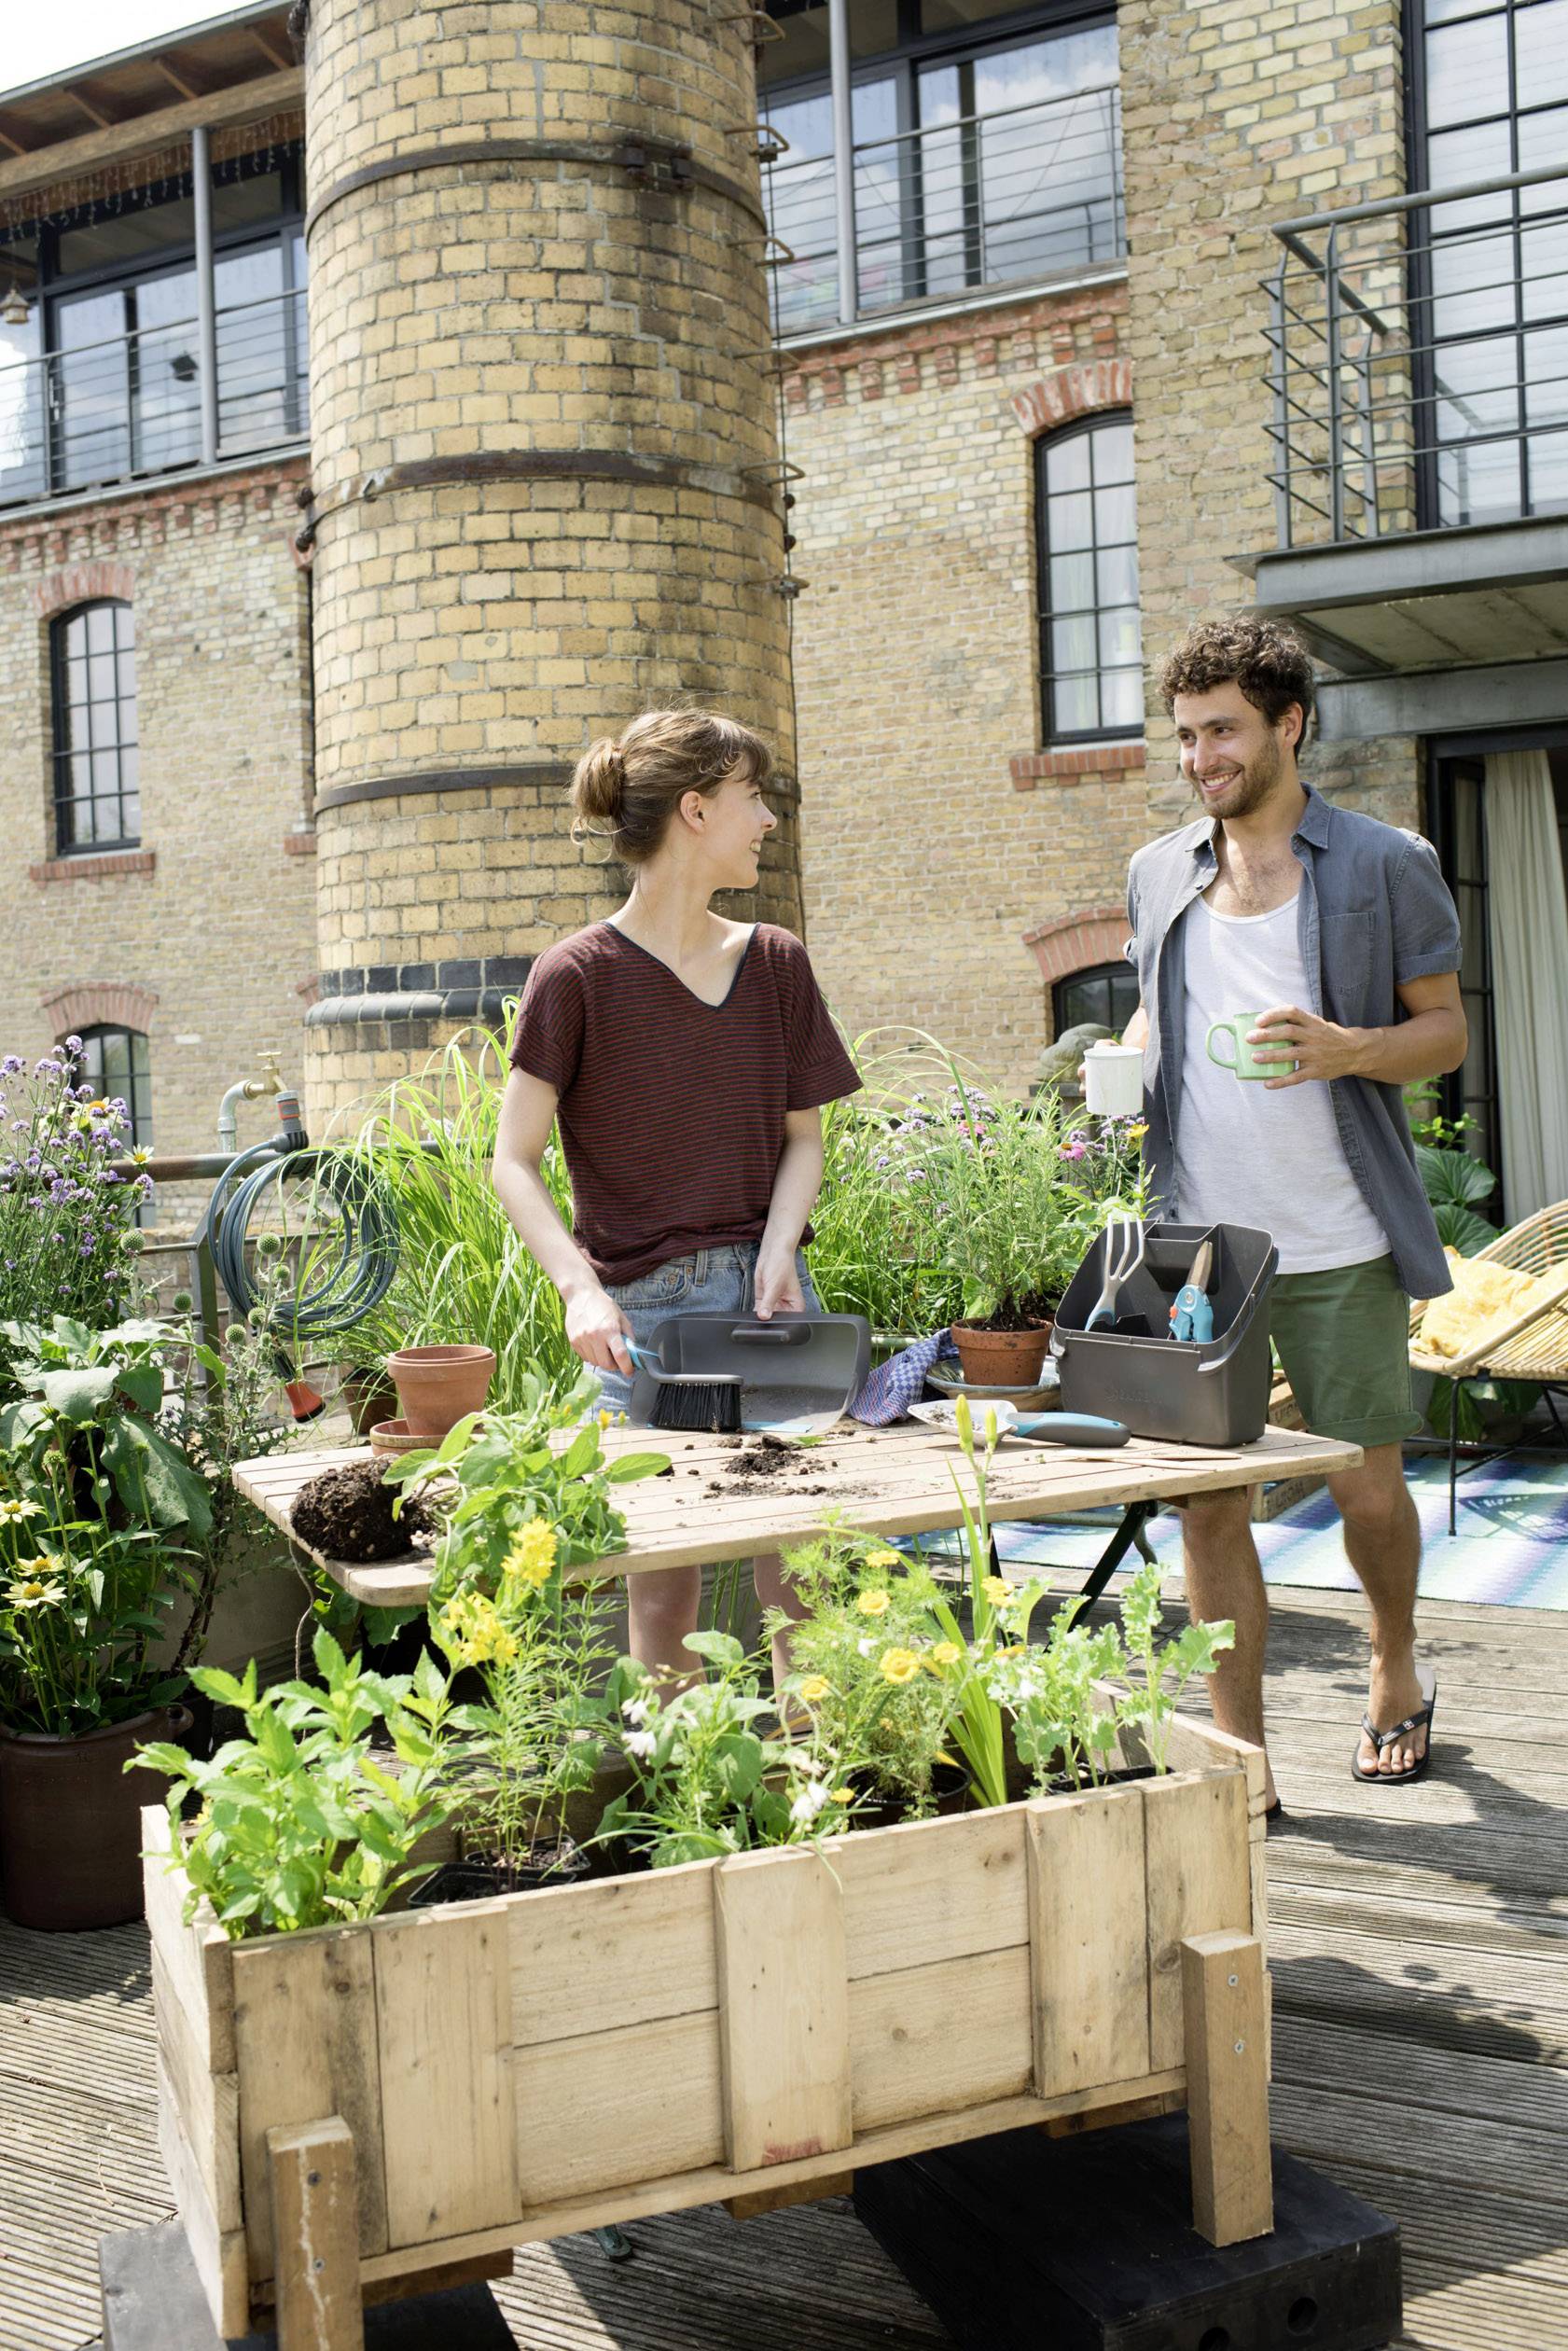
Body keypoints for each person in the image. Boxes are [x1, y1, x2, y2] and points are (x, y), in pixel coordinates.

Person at [1121, 615, 1466, 1808]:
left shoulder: (1382, 863)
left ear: (1288, 725)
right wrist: (1121, 1062)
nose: (1199, 755)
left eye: (1222, 730)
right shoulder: (1158, 870)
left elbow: (1445, 1032)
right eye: (1183, 734)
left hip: (1337, 1239)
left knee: (1364, 1484)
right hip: (1198, 1251)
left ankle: (1393, 1655)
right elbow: (1158, 1016)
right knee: (1207, 1506)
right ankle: (1242, 1760)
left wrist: (1346, 1049)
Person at [492, 708, 862, 1689]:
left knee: (803, 1572)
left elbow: (803, 1141)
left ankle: (817, 1798)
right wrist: (577, 1289)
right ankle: (680, 1799)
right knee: (662, 1587)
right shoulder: (574, 977)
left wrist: (780, 1249)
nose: (769, 820)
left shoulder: (776, 962)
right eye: (754, 798)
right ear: (696, 811)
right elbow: (512, 1160)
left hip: (770, 1307)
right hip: (639, 1324)